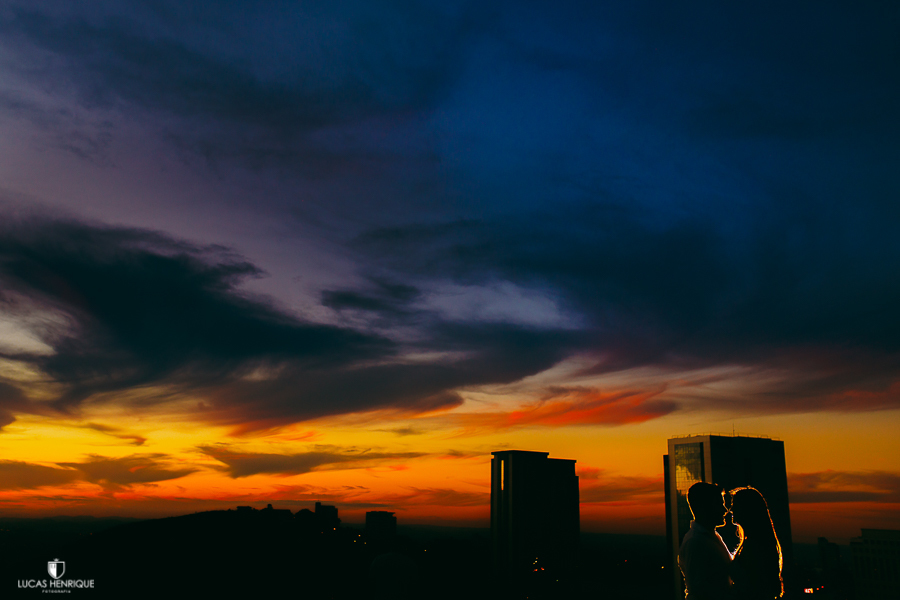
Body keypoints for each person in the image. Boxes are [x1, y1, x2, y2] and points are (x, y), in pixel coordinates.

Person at [679, 482, 733, 599]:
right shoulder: (695, 542)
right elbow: (699, 591)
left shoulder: (711, 536)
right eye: (719, 504)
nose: (724, 510)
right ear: (704, 507)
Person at [729, 487, 783, 600]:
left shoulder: (756, 547)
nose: (731, 509)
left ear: (747, 510)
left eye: (735, 505)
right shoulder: (754, 543)